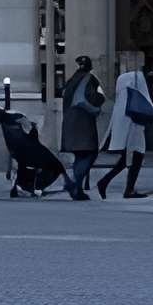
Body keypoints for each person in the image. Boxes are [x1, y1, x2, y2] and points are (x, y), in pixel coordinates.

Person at [101, 52, 153, 197]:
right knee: (136, 156)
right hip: (134, 127)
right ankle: (127, 189)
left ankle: (108, 182)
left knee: (128, 158)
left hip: (125, 127)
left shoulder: (122, 89)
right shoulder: (137, 81)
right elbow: (146, 99)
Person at [57, 58, 104, 200]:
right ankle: (75, 183)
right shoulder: (90, 79)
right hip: (83, 121)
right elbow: (95, 97)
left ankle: (77, 189)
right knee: (90, 153)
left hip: (69, 120)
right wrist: (100, 99)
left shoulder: (72, 80)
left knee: (79, 155)